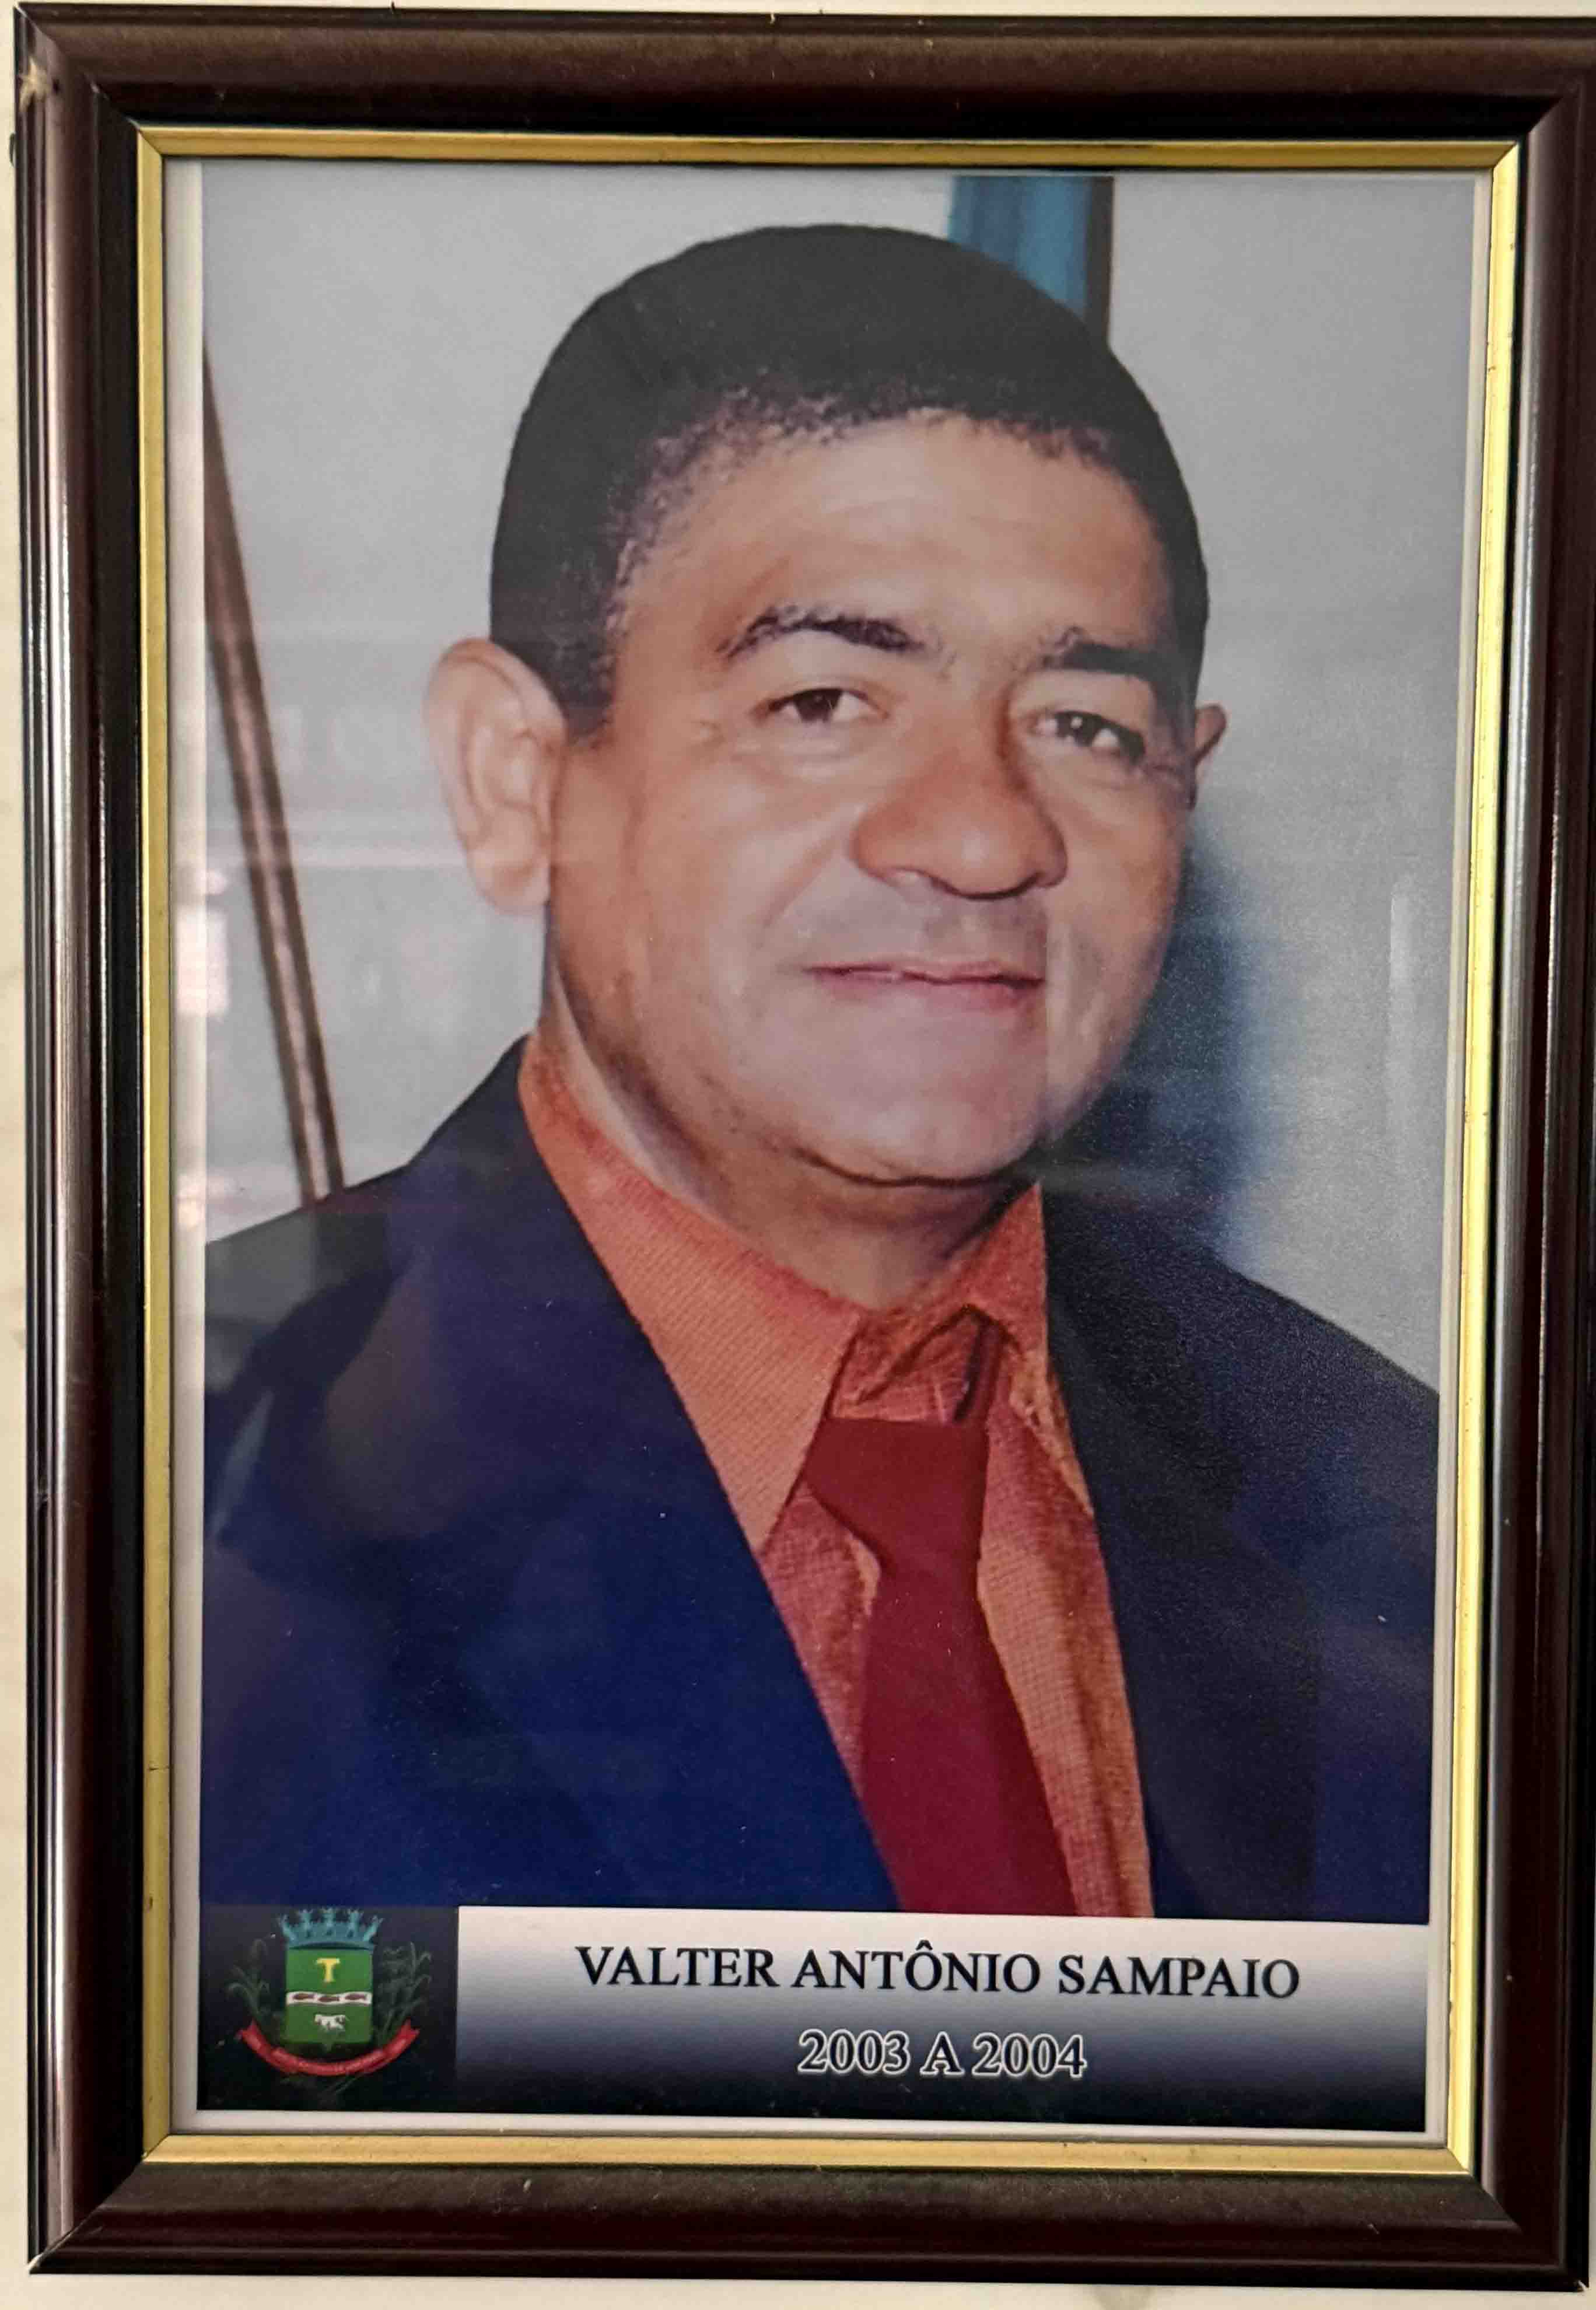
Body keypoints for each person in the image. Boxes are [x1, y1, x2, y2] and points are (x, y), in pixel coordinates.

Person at [201, 223, 1436, 1924]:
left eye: (1085, 727)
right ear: (517, 780)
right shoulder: (155, 1502)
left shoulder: (1398, 1514)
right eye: (825, 702)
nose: (985, 836)